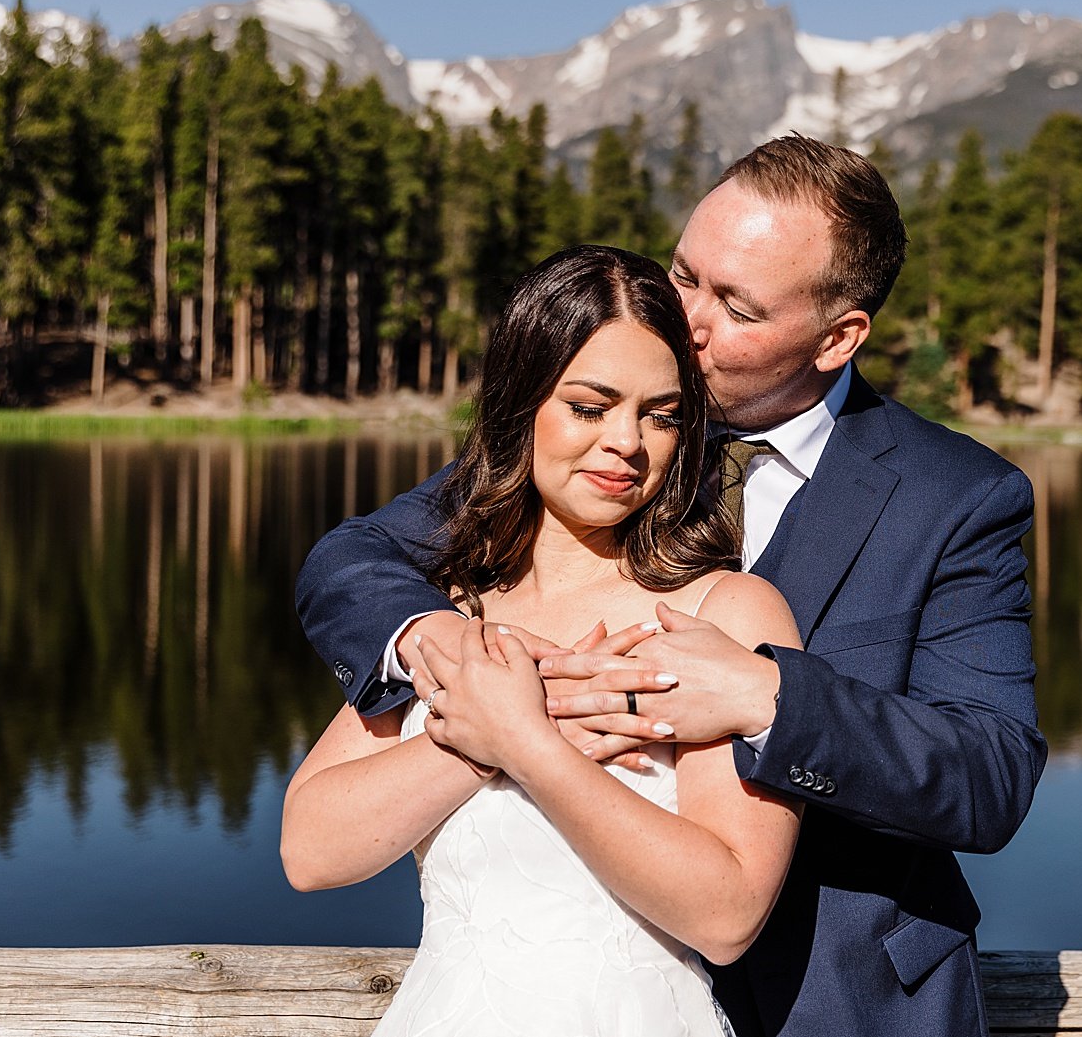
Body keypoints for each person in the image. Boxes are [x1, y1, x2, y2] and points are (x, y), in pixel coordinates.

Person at [296, 135, 1047, 1036]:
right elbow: (354, 559)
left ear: (837, 335)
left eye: (735, 304)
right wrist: (442, 650)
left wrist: (770, 697)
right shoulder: (582, 458)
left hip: (842, 1001)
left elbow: (990, 774)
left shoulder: (955, 494)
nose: (683, 318)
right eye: (685, 273)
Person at [283, 244, 804, 1036]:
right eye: (591, 407)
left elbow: (728, 913)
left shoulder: (727, 612)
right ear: (520, 403)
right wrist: (479, 734)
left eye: (661, 414)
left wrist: (531, 742)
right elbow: (310, 850)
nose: (628, 442)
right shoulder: (452, 611)